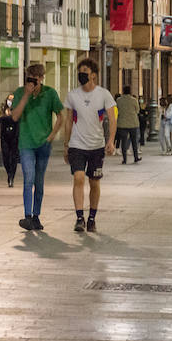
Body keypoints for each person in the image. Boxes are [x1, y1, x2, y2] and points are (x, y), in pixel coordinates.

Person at [62, 58, 117, 233]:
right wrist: (66, 144)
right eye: (80, 71)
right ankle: (79, 218)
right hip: (77, 144)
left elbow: (113, 119)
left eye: (85, 71)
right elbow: (69, 121)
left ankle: (92, 217)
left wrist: (111, 141)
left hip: (96, 146)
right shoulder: (73, 95)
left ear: (93, 75)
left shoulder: (103, 94)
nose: (81, 74)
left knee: (94, 182)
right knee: (78, 177)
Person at [10, 62, 64, 232]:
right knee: (28, 178)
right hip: (26, 143)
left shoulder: (50, 93)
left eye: (35, 79)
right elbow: (15, 117)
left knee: (39, 182)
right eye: (29, 79)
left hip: (43, 143)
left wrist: (52, 135)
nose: (32, 82)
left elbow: (61, 115)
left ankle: (36, 216)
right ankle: (27, 216)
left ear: (41, 78)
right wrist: (26, 95)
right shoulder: (20, 93)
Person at [114, 85, 141, 164]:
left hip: (122, 123)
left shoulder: (119, 100)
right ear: (130, 91)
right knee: (134, 141)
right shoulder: (134, 100)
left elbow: (116, 109)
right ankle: (136, 157)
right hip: (133, 123)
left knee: (124, 142)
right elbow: (137, 110)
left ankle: (124, 159)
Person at [0, 97, 20, 187]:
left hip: (14, 137)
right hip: (5, 137)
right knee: (6, 157)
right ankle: (9, 173)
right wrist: (3, 116)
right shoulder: (2, 110)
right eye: (9, 99)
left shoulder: (17, 109)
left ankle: (11, 177)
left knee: (13, 158)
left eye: (12, 100)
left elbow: (18, 120)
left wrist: (11, 116)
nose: (10, 101)